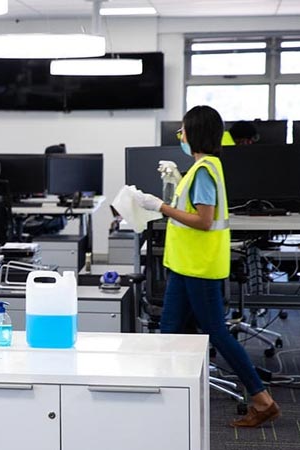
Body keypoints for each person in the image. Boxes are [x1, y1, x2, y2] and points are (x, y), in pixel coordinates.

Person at [132, 105, 280, 428]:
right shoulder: (201, 168)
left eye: (183, 130)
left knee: (217, 333)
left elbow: (203, 220)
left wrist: (160, 207)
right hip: (185, 267)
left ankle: (262, 398)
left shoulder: (203, 172)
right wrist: (174, 180)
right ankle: (169, 401)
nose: (181, 136)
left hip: (198, 269)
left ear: (195, 133)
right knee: (169, 332)